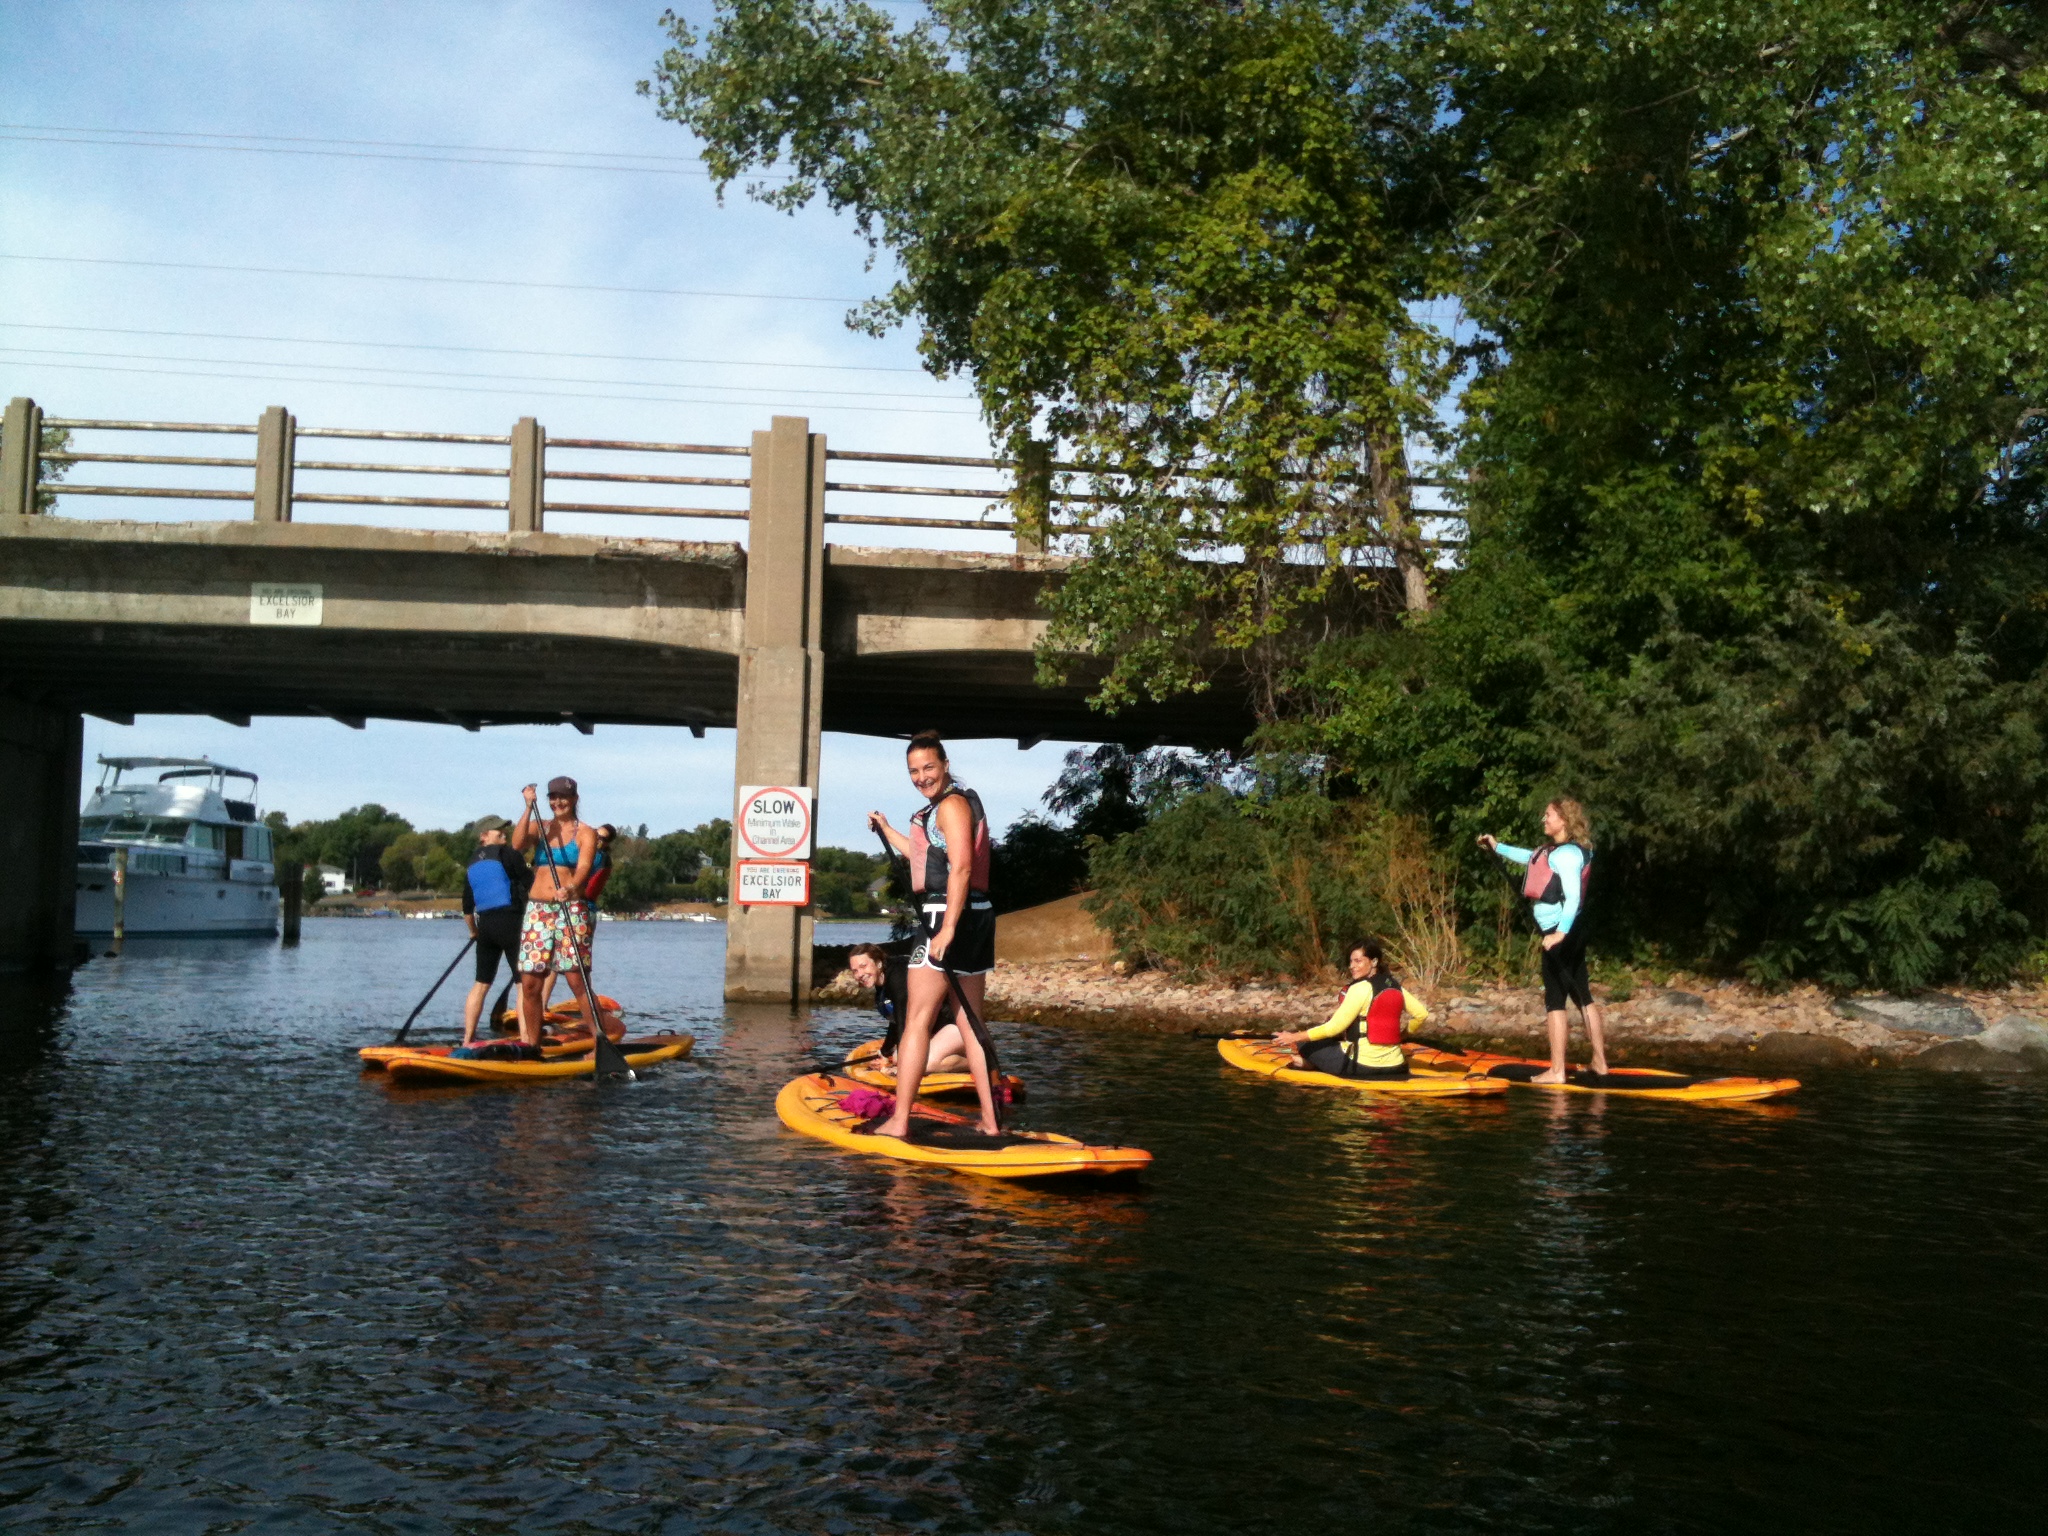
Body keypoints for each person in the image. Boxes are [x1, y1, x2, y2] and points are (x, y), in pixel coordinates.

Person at [865, 731, 1002, 1136]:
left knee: (917, 1021)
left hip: (946, 915)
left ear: (945, 765)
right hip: (977, 915)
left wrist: (947, 930)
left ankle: (899, 1121)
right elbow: (924, 856)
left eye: (928, 767)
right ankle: (990, 1121)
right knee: (970, 1022)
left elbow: (961, 867)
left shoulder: (952, 806)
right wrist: (887, 829)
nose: (921, 777)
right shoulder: (945, 807)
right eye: (914, 771)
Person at [1479, 798, 1606, 1082]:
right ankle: (1599, 1062)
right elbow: (1532, 858)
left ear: (1563, 819)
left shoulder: (1567, 855)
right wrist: (1497, 847)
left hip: (1560, 932)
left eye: (1548, 815)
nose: (1543, 819)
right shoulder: (1557, 851)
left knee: (1555, 999)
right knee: (1581, 994)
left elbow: (1572, 897)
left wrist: (1559, 934)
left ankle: (1557, 1071)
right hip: (1567, 931)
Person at [511, 776, 600, 1047]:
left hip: (571, 908)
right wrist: (528, 807)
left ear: (574, 799)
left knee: (576, 979)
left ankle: (600, 1043)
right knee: (530, 983)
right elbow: (517, 844)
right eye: (553, 797)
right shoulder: (541, 827)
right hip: (538, 910)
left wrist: (572, 887)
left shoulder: (586, 832)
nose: (558, 802)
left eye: (563, 797)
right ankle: (532, 1045)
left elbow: (584, 867)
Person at [1274, 938, 1421, 1079]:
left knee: (1304, 1044)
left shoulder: (1359, 988)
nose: (1352, 966)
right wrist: (1402, 1036)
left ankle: (1307, 1064)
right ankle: (1312, 1063)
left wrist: (1294, 1037)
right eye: (1351, 961)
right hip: (1397, 1065)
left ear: (1374, 961)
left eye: (1358, 961)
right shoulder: (1395, 986)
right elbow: (1421, 1014)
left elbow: (1333, 1028)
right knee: (1333, 1043)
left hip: (1362, 1067)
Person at [459, 815, 529, 1046]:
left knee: (481, 983)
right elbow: (531, 884)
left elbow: (467, 909)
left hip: (485, 927)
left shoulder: (471, 863)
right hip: (512, 923)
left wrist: (474, 932)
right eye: (498, 830)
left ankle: (467, 1039)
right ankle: (527, 1039)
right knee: (522, 983)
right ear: (484, 835)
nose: (504, 833)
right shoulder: (510, 855)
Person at [846, 942, 964, 1073]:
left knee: (919, 1064)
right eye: (855, 971)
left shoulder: (898, 976)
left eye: (863, 966)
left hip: (958, 1026)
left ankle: (976, 1062)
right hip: (935, 1031)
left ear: (878, 963)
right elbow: (896, 1020)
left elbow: (903, 1019)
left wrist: (902, 1068)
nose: (860, 974)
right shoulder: (883, 981)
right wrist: (885, 1052)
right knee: (898, 1057)